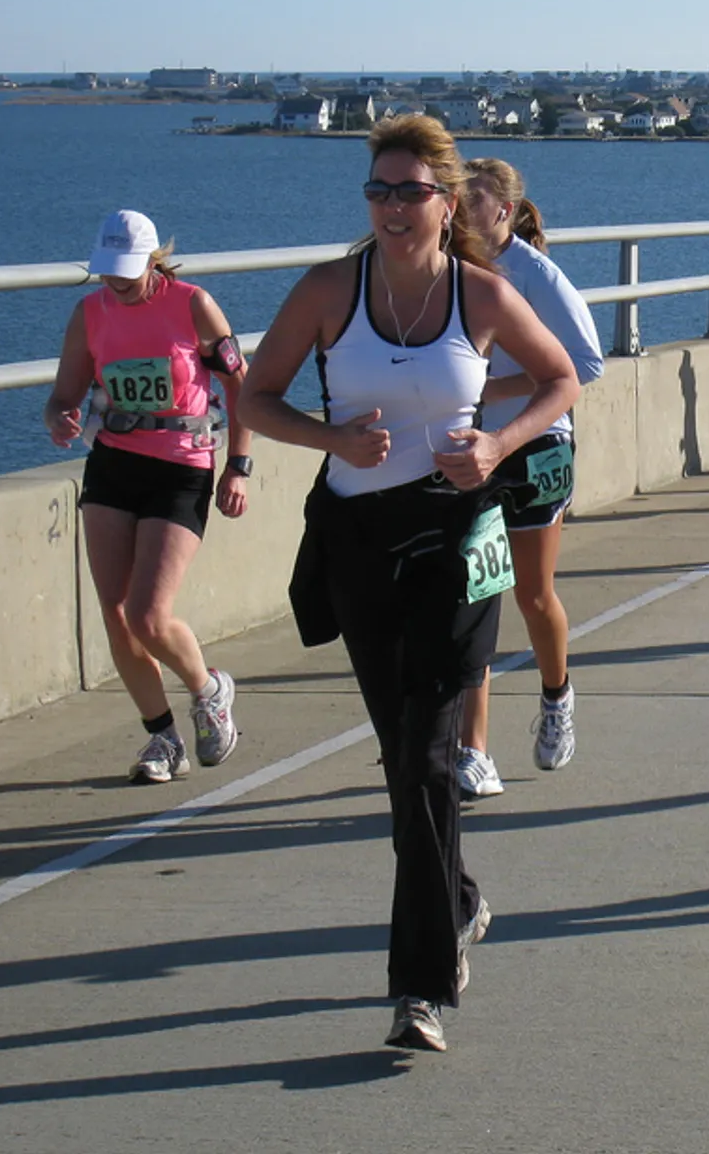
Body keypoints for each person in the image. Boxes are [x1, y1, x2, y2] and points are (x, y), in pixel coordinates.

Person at [239, 114, 579, 1053]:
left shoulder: (481, 292)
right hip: (357, 536)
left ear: (446, 199)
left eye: (410, 192)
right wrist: (332, 438)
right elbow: (254, 397)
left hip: (457, 532)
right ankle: (459, 899)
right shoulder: (327, 292)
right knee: (404, 759)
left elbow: (561, 378)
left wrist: (497, 443)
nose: (393, 208)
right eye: (378, 192)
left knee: (429, 755)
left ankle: (419, 989)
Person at [42, 210, 250, 784]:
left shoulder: (192, 305)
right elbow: (65, 392)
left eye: (128, 273)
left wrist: (238, 465)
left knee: (148, 614)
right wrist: (59, 416)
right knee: (115, 615)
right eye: (108, 272)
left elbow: (240, 386)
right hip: (113, 463)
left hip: (181, 468)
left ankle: (209, 690)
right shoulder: (89, 314)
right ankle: (162, 737)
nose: (116, 283)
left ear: (155, 259)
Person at [450, 159, 607, 799]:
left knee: (532, 595)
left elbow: (586, 362)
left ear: (505, 212)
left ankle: (556, 695)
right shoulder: (451, 267)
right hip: (473, 449)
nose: (461, 207)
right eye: (456, 196)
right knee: (475, 591)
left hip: (538, 445)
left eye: (474, 198)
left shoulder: (535, 275)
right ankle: (474, 751)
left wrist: (494, 390)